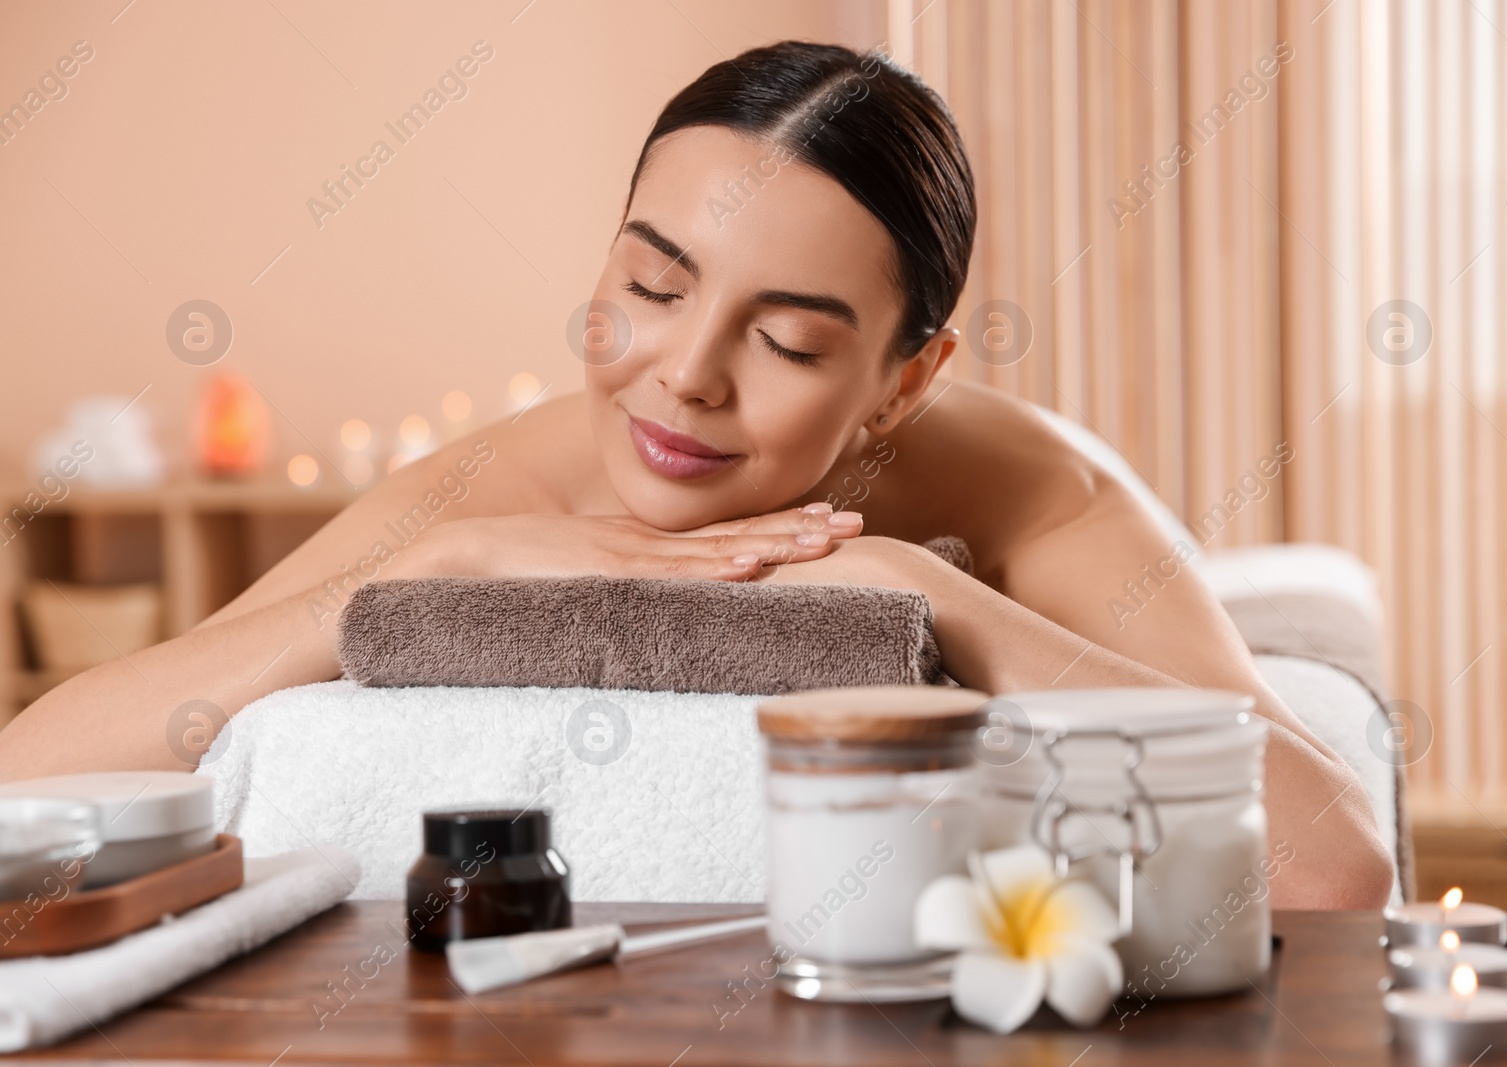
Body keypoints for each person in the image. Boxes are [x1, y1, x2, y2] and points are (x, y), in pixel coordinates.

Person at [0, 41, 1393, 908]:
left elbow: (1330, 861)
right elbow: (36, 778)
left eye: (785, 341)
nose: (684, 376)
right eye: (652, 286)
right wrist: (437, 567)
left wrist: (924, 591)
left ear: (907, 380)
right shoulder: (496, 485)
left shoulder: (1027, 490)